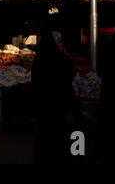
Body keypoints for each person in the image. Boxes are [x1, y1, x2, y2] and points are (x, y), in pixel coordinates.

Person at [31, 31, 78, 164]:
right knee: (61, 140)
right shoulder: (63, 61)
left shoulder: (38, 61)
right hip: (59, 109)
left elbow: (35, 86)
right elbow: (67, 84)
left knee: (43, 141)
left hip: (42, 109)